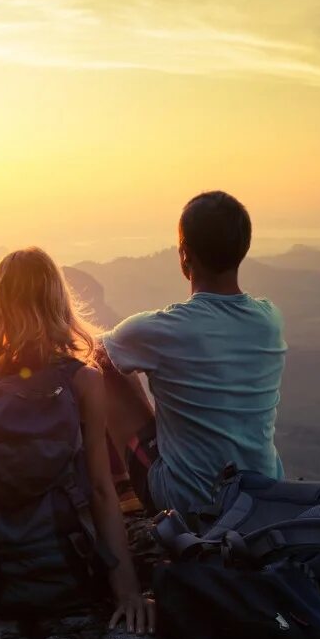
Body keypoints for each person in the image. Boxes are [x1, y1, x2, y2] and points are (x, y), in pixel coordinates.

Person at [0, 247, 154, 633]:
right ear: (57, 303)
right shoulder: (84, 380)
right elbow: (99, 488)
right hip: (67, 571)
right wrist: (127, 590)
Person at [97, 191, 286, 518]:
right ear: (243, 250)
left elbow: (95, 352)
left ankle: (118, 489)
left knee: (104, 371)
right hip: (263, 495)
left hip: (188, 503)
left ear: (185, 255)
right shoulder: (269, 318)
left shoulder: (159, 330)